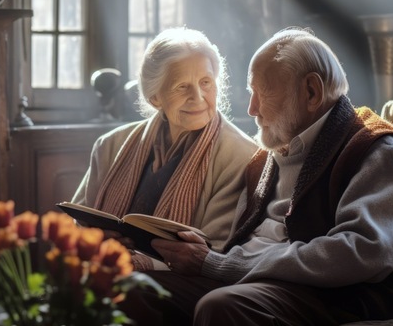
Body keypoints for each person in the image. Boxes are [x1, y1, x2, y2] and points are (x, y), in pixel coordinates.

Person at [122, 27, 393, 325]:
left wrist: (219, 265)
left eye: (262, 93)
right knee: (134, 287)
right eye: (250, 92)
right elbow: (239, 248)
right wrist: (201, 254)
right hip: (263, 281)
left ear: (311, 92)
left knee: (223, 307)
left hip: (353, 293)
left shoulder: (376, 149)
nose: (251, 109)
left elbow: (366, 252)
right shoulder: (267, 157)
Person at [71, 27, 258, 269]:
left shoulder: (242, 155)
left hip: (181, 282)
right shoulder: (110, 146)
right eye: (182, 87)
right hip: (103, 268)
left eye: (206, 82)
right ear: (155, 98)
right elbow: (76, 224)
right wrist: (94, 241)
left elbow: (214, 250)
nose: (198, 97)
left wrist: (136, 264)